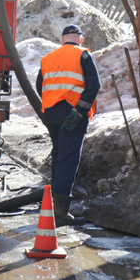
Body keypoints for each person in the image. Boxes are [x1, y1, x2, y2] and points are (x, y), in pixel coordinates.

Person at [36, 24, 101, 225]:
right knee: (68, 159)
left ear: (62, 39)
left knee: (58, 155)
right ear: (80, 39)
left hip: (52, 113)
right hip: (73, 113)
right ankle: (61, 213)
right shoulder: (83, 55)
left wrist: (52, 104)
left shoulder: (48, 58)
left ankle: (53, 206)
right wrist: (79, 111)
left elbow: (40, 86)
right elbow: (94, 85)